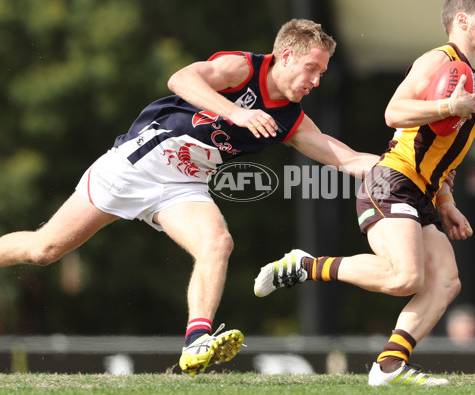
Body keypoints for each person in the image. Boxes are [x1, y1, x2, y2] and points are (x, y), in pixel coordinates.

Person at [0, 19, 378, 377]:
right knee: (43, 250)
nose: (314, 80)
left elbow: (347, 159)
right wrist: (237, 113)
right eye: (311, 68)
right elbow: (180, 78)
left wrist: (414, 169)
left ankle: (196, 342)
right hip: (136, 166)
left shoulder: (290, 119)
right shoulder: (244, 68)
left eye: (321, 74)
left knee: (217, 243)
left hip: (183, 186)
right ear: (287, 55)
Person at [254, 0, 475, 386]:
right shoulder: (439, 60)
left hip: (423, 192)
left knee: (446, 280)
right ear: (463, 21)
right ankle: (305, 266)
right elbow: (394, 113)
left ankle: (388, 367)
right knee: (405, 278)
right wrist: (447, 107)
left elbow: (442, 152)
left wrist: (447, 201)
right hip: (393, 181)